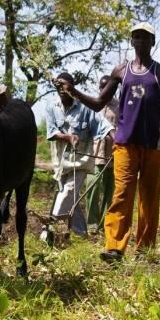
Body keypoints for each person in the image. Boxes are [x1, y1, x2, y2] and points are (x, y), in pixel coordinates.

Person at [59, 22, 160, 263]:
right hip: (125, 143)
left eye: (145, 37)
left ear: (152, 42)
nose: (140, 41)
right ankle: (114, 248)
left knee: (149, 198)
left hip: (154, 145)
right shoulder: (121, 71)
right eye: (136, 37)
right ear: (131, 42)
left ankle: (144, 250)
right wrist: (73, 91)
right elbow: (99, 103)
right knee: (122, 194)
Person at [45, 72, 113, 237]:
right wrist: (66, 137)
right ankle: (81, 233)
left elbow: (105, 126)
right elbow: (51, 132)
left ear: (72, 88)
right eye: (59, 86)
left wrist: (116, 141)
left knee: (68, 193)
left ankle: (49, 230)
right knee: (70, 197)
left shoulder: (85, 108)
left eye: (66, 86)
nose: (62, 89)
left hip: (81, 161)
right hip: (61, 162)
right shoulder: (51, 106)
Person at [86, 75, 119, 234]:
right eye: (102, 87)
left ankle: (103, 225)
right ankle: (91, 224)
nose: (105, 90)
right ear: (99, 88)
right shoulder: (92, 106)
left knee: (109, 191)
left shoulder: (120, 106)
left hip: (113, 155)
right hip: (94, 153)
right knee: (92, 187)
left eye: (108, 88)